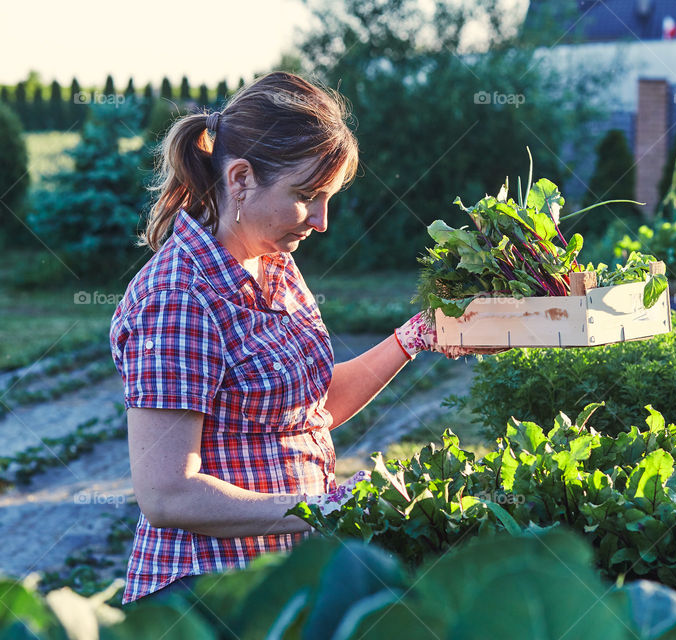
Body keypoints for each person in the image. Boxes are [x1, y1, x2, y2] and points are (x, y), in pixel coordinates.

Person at [109, 71, 493, 607]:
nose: (321, 221)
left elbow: (308, 408)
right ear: (240, 177)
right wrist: (318, 507)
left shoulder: (275, 262)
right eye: (307, 197)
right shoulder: (178, 296)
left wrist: (415, 337)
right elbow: (167, 494)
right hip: (208, 597)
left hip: (278, 583)